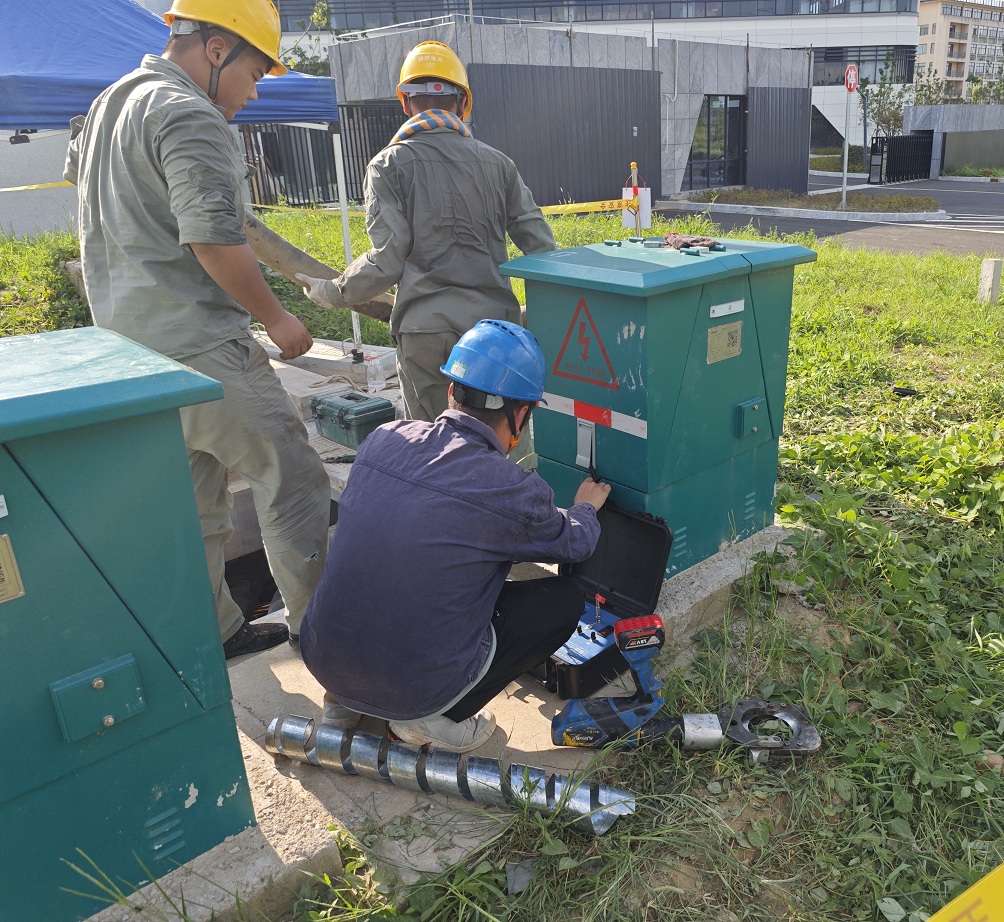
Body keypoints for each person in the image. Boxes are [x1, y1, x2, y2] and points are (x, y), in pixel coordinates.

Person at [64, 0, 331, 659]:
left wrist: (307, 272)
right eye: (255, 73)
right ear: (216, 50)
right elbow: (212, 238)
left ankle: (214, 632)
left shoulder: (110, 106)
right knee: (291, 475)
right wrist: (277, 317)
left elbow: (184, 214)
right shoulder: (189, 113)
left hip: (133, 353)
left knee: (193, 503)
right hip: (200, 344)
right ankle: (327, 637)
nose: (254, 92)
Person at [299, 320, 611, 751]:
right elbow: (576, 543)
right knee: (560, 602)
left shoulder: (383, 439)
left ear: (451, 392)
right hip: (413, 690)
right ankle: (431, 719)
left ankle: (341, 702)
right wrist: (585, 507)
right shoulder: (511, 489)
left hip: (323, 657)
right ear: (522, 414)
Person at [296, 40, 556, 422]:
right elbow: (543, 249)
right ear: (463, 103)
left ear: (405, 102)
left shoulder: (387, 165)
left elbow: (388, 259)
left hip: (425, 333)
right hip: (494, 335)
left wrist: (333, 291)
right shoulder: (499, 165)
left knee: (433, 444)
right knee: (498, 443)